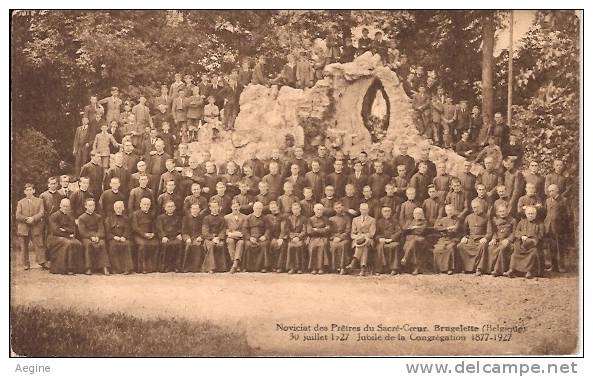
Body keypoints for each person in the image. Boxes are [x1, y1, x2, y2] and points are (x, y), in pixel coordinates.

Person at [47, 198, 84, 275]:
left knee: (78, 243)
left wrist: (64, 229)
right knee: (68, 243)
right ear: (60, 205)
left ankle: (77, 269)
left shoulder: (70, 216)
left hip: (67, 236)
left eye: (67, 206)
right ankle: (65, 269)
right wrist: (67, 232)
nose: (66, 208)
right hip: (54, 238)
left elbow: (72, 228)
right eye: (64, 206)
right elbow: (55, 230)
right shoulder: (54, 216)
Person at [506, 206, 545, 279]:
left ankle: (529, 271)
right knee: (515, 252)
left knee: (533, 252)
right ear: (526, 214)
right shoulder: (522, 222)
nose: (530, 215)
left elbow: (541, 235)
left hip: (533, 245)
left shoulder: (540, 223)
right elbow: (516, 232)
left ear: (535, 214)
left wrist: (532, 239)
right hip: (522, 244)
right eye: (529, 213)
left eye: (532, 214)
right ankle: (512, 270)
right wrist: (521, 236)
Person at [15, 183, 45, 270]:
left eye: (31, 190)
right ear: (24, 192)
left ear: (34, 191)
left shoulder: (39, 201)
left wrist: (33, 218)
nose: (29, 192)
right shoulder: (20, 202)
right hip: (24, 227)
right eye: (27, 190)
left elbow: (41, 212)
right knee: (24, 246)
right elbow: (17, 215)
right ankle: (25, 264)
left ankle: (42, 262)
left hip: (35, 226)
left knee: (39, 244)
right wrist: (26, 219)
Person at [77, 198, 110, 275]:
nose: (92, 207)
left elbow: (101, 229)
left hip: (97, 236)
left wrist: (98, 236)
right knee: (88, 244)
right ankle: (88, 268)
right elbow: (82, 231)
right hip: (86, 237)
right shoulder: (81, 218)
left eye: (93, 205)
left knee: (102, 244)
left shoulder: (98, 217)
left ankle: (105, 267)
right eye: (90, 205)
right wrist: (91, 237)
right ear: (85, 206)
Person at [457, 199, 489, 275]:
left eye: (477, 207)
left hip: (481, 239)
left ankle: (479, 268)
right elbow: (464, 231)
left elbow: (489, 232)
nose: (476, 209)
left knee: (483, 246)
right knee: (460, 246)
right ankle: (466, 267)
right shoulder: (468, 217)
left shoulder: (486, 217)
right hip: (471, 239)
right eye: (474, 207)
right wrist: (464, 237)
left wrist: (486, 238)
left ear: (481, 207)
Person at [544, 184, 570, 273]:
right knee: (551, 247)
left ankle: (561, 266)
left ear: (557, 190)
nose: (551, 193)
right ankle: (553, 266)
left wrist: (564, 227)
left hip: (559, 228)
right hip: (549, 227)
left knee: (560, 248)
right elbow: (545, 213)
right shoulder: (547, 201)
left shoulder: (563, 200)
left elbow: (567, 215)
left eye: (552, 190)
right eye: (549, 191)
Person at [345, 202, 376, 276]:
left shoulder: (372, 220)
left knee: (364, 243)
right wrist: (358, 237)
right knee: (363, 245)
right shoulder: (355, 220)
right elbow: (352, 234)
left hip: (368, 240)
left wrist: (363, 237)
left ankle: (354, 261)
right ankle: (363, 268)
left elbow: (371, 234)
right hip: (357, 240)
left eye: (365, 210)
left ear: (368, 210)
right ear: (360, 210)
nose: (363, 211)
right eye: (362, 209)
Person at [486, 203, 516, 277]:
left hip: (508, 241)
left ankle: (497, 270)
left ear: (507, 211)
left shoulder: (512, 220)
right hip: (498, 240)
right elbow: (495, 232)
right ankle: (490, 269)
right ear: (497, 213)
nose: (502, 213)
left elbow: (515, 232)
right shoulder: (495, 220)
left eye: (504, 211)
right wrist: (493, 239)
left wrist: (508, 240)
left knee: (502, 248)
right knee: (491, 248)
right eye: (500, 211)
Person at [104, 200, 134, 275]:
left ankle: (127, 268)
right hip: (113, 239)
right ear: (114, 208)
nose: (118, 209)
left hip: (123, 238)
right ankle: (115, 269)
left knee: (127, 244)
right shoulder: (109, 219)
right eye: (117, 208)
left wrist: (124, 237)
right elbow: (107, 232)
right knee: (113, 246)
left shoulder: (126, 219)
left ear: (123, 208)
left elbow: (128, 229)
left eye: (120, 208)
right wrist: (114, 237)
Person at [131, 198, 159, 273]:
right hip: (139, 235)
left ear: (150, 206)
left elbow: (154, 226)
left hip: (150, 235)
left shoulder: (151, 214)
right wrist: (144, 234)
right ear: (140, 205)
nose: (146, 206)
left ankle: (152, 268)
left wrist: (153, 233)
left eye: (148, 205)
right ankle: (142, 268)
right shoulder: (135, 214)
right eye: (144, 204)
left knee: (155, 244)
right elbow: (135, 227)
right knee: (143, 245)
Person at [156, 201, 183, 273]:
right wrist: (163, 236)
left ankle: (176, 266)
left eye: (172, 206)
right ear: (165, 208)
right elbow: (159, 229)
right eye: (168, 206)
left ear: (174, 208)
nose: (170, 208)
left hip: (175, 236)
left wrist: (179, 234)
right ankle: (165, 267)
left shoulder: (178, 217)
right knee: (165, 245)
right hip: (165, 237)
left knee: (178, 244)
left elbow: (180, 227)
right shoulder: (160, 217)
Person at [242, 201, 270, 272]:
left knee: (264, 245)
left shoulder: (265, 218)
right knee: (248, 245)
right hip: (251, 237)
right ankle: (247, 267)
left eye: (260, 208)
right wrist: (249, 237)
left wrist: (265, 236)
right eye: (257, 208)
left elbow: (268, 229)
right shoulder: (248, 217)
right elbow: (245, 229)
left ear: (262, 209)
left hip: (261, 237)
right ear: (253, 208)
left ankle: (263, 267)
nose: (258, 210)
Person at [433, 204, 460, 274]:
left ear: (454, 211)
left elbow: (456, 229)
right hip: (443, 239)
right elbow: (436, 227)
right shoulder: (443, 219)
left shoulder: (457, 220)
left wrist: (447, 230)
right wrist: (446, 229)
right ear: (445, 211)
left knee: (450, 248)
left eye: (451, 210)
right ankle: (439, 268)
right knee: (437, 249)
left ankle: (449, 268)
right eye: (448, 210)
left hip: (453, 238)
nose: (449, 212)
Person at [374, 206, 402, 275]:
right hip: (382, 241)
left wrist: (391, 239)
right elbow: (376, 234)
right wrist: (380, 239)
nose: (387, 213)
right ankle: (380, 268)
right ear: (382, 212)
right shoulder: (378, 222)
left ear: (391, 212)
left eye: (388, 211)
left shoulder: (395, 221)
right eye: (385, 211)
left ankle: (394, 268)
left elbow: (399, 232)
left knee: (395, 246)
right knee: (379, 247)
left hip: (392, 240)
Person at [401, 207, 429, 275]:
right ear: (413, 214)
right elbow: (404, 230)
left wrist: (412, 229)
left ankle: (405, 257)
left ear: (422, 214)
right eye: (416, 213)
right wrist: (414, 228)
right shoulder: (409, 221)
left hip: (421, 240)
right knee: (413, 245)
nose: (417, 215)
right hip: (409, 240)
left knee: (414, 242)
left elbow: (421, 231)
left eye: (419, 213)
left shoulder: (424, 222)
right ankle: (414, 268)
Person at [283, 202, 308, 274]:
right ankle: (292, 268)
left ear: (300, 209)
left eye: (297, 209)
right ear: (292, 210)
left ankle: (300, 268)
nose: (296, 210)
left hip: (301, 238)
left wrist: (298, 237)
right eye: (294, 209)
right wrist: (293, 236)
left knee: (300, 246)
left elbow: (304, 230)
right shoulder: (289, 218)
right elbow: (287, 229)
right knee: (290, 246)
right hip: (292, 238)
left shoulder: (304, 218)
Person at [307, 203, 330, 274]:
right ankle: (313, 268)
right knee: (313, 246)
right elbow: (309, 231)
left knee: (322, 246)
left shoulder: (326, 219)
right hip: (313, 238)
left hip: (323, 238)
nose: (319, 211)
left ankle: (321, 267)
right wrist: (322, 229)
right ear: (314, 210)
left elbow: (328, 230)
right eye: (318, 209)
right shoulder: (310, 219)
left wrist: (316, 229)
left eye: (321, 210)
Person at [181, 203, 205, 273]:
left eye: (196, 209)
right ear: (190, 209)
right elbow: (184, 231)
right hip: (188, 237)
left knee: (197, 245)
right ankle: (186, 267)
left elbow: (204, 230)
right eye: (193, 208)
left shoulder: (202, 218)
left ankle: (196, 267)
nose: (195, 210)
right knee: (188, 245)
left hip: (198, 238)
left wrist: (201, 237)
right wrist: (187, 238)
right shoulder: (185, 218)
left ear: (199, 210)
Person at [225, 200, 247, 273]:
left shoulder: (245, 217)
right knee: (230, 241)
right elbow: (225, 229)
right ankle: (236, 264)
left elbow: (245, 229)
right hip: (231, 236)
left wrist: (240, 234)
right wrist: (230, 234)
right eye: (234, 207)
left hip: (240, 237)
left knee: (240, 243)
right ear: (231, 207)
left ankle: (234, 265)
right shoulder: (226, 217)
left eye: (237, 206)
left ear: (239, 207)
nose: (235, 208)